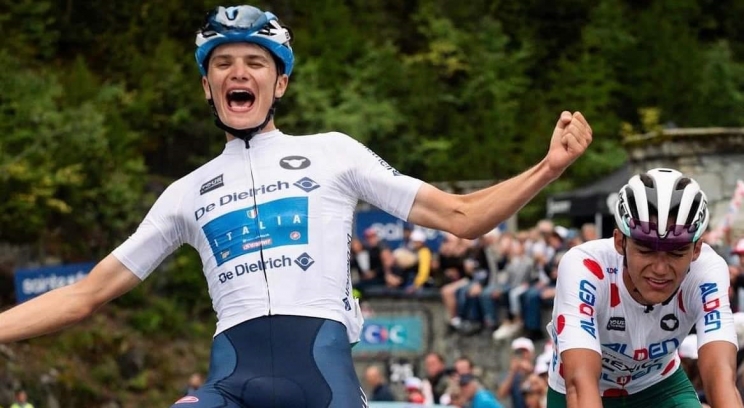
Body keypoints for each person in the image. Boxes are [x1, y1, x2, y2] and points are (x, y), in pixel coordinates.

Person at [0, 5, 592, 408]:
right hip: (230, 383)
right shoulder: (185, 193)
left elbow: (464, 217)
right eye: (222, 63)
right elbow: (85, 295)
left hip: (324, 382)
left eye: (255, 62)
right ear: (207, 86)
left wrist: (549, 168)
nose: (238, 72)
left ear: (279, 83)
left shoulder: (334, 153)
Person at [546, 168, 743, 408]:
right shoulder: (585, 267)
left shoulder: (707, 270)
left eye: (676, 252)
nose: (660, 268)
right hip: (586, 388)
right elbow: (580, 382)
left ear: (696, 250)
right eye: (646, 250)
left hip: (659, 387)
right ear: (620, 242)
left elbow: (720, 377)